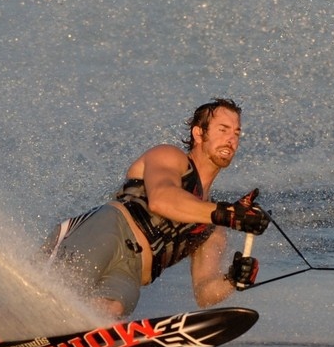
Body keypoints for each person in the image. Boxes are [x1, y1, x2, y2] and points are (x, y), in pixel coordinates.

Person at [44, 98, 269, 317]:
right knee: (58, 293)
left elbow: (204, 293)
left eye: (236, 133)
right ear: (199, 133)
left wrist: (233, 279)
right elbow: (162, 199)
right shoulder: (170, 157)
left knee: (107, 311)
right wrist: (226, 214)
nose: (231, 139)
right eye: (223, 129)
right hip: (108, 231)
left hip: (131, 270)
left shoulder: (212, 229)